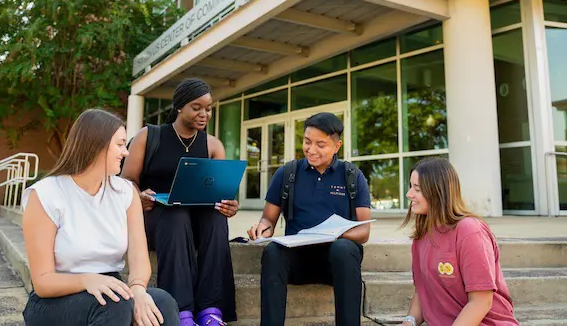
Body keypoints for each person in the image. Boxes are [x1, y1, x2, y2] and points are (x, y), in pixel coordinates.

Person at [21, 109, 179, 326]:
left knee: (162, 302)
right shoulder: (46, 194)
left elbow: (139, 258)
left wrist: (138, 290)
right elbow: (42, 281)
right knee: (113, 303)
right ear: (96, 145)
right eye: (120, 144)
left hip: (111, 291)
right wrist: (88, 280)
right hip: (55, 300)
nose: (126, 152)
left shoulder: (125, 192)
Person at [121, 78, 238, 326]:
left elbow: (220, 191)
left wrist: (229, 204)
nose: (204, 114)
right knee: (176, 215)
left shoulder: (213, 145)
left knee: (216, 216)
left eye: (208, 108)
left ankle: (211, 311)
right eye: (197, 107)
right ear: (179, 107)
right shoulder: (149, 136)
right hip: (157, 220)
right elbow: (127, 180)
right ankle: (181, 311)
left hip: (196, 225)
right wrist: (137, 196)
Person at [248, 112, 372, 326]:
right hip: (297, 261)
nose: (311, 150)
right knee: (273, 251)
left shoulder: (352, 175)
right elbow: (268, 219)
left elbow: (364, 232)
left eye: (320, 145)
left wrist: (331, 235)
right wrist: (262, 230)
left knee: (344, 249)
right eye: (307, 142)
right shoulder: (287, 173)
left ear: (336, 146)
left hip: (337, 264)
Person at [400, 157, 519, 326]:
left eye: (417, 189)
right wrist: (409, 322)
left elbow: (481, 302)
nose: (409, 194)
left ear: (438, 191)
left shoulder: (470, 231)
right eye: (411, 186)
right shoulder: (421, 236)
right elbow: (423, 291)